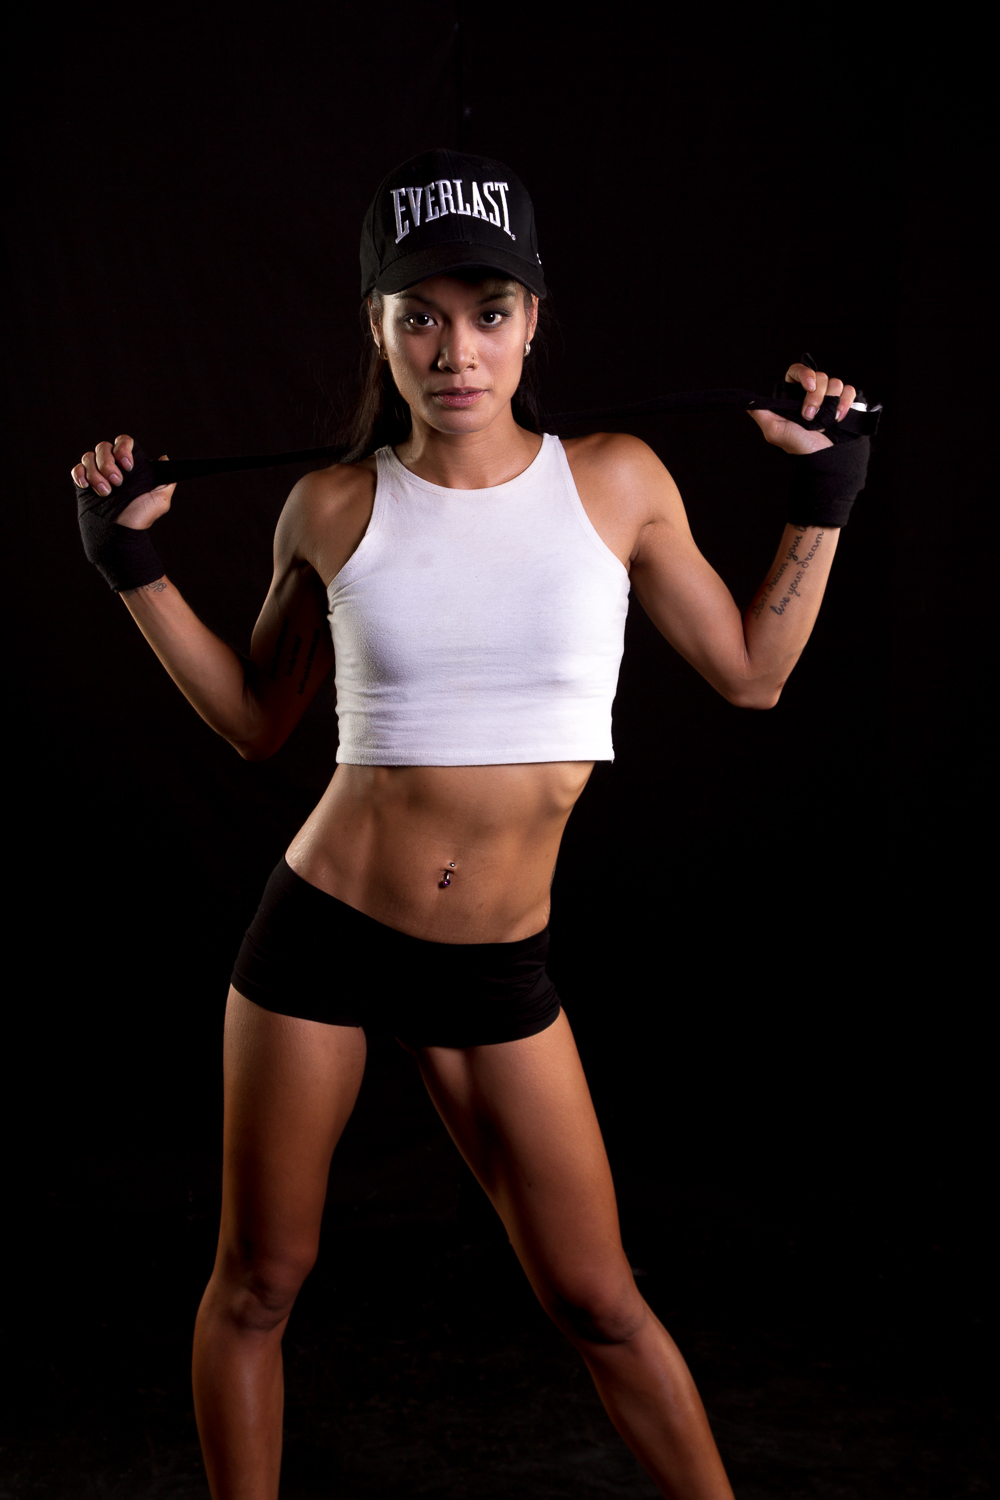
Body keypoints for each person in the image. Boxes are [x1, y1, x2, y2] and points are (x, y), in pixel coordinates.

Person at [72, 149, 868, 1500]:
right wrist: (131, 564)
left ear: (533, 320)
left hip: (495, 962)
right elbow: (258, 723)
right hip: (322, 937)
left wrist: (824, 493)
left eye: (488, 313)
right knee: (259, 1282)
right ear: (378, 328)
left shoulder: (617, 482)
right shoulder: (333, 504)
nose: (456, 352)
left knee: (602, 1301)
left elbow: (754, 674)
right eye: (420, 317)